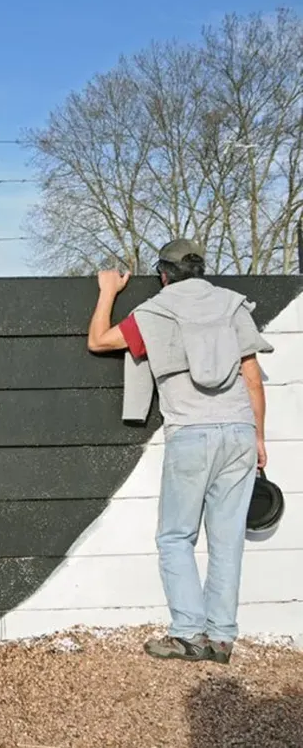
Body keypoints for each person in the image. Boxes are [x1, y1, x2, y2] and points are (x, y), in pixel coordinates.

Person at [86, 239, 271, 664]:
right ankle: (221, 638)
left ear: (163, 275)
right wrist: (258, 436)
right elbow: (252, 378)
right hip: (240, 431)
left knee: (175, 536)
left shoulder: (155, 311)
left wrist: (108, 291)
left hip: (191, 432)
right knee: (227, 539)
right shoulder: (231, 305)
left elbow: (98, 341)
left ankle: (188, 633)